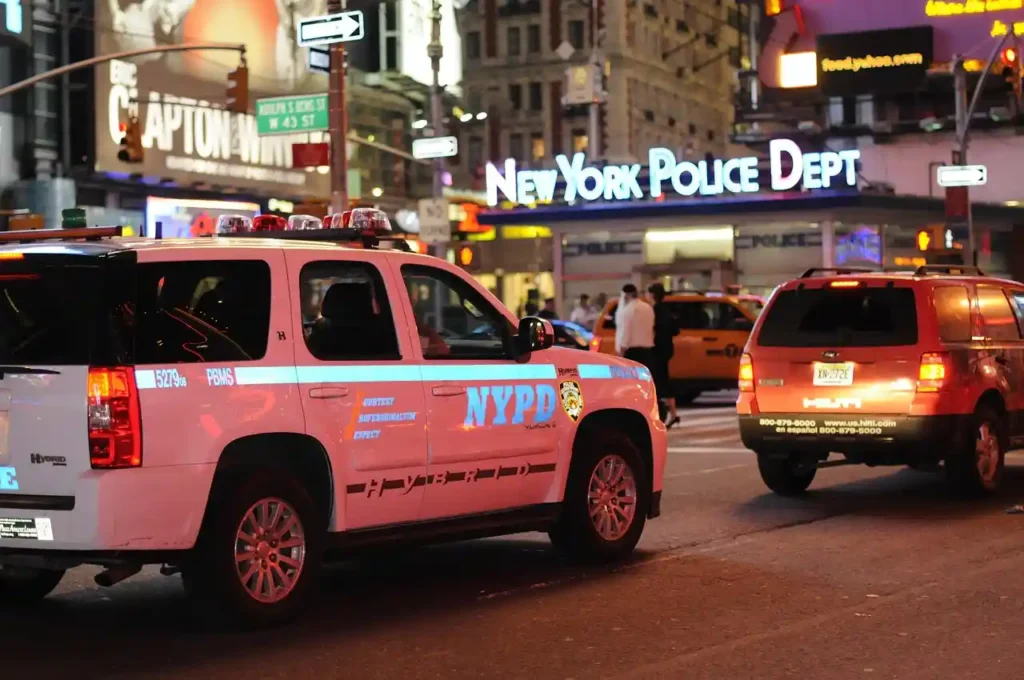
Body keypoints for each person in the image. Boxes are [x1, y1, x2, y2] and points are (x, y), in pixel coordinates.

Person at [649, 282, 680, 427]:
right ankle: (673, 413)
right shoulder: (667, 310)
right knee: (664, 379)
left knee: (659, 381)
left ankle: (663, 413)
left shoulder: (654, 311)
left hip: (657, 349)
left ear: (652, 295)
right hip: (667, 348)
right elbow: (675, 330)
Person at [614, 283, 657, 388]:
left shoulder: (627, 310)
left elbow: (625, 331)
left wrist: (621, 350)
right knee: (645, 382)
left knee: (632, 383)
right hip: (647, 350)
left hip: (631, 352)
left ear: (626, 295)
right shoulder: (647, 307)